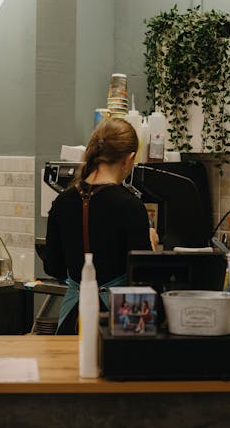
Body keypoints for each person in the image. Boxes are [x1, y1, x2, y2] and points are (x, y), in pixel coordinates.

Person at [44, 117, 155, 334]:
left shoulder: (62, 202)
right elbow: (143, 276)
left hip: (72, 321)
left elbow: (52, 267)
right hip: (118, 320)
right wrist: (151, 245)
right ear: (129, 158)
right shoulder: (131, 206)